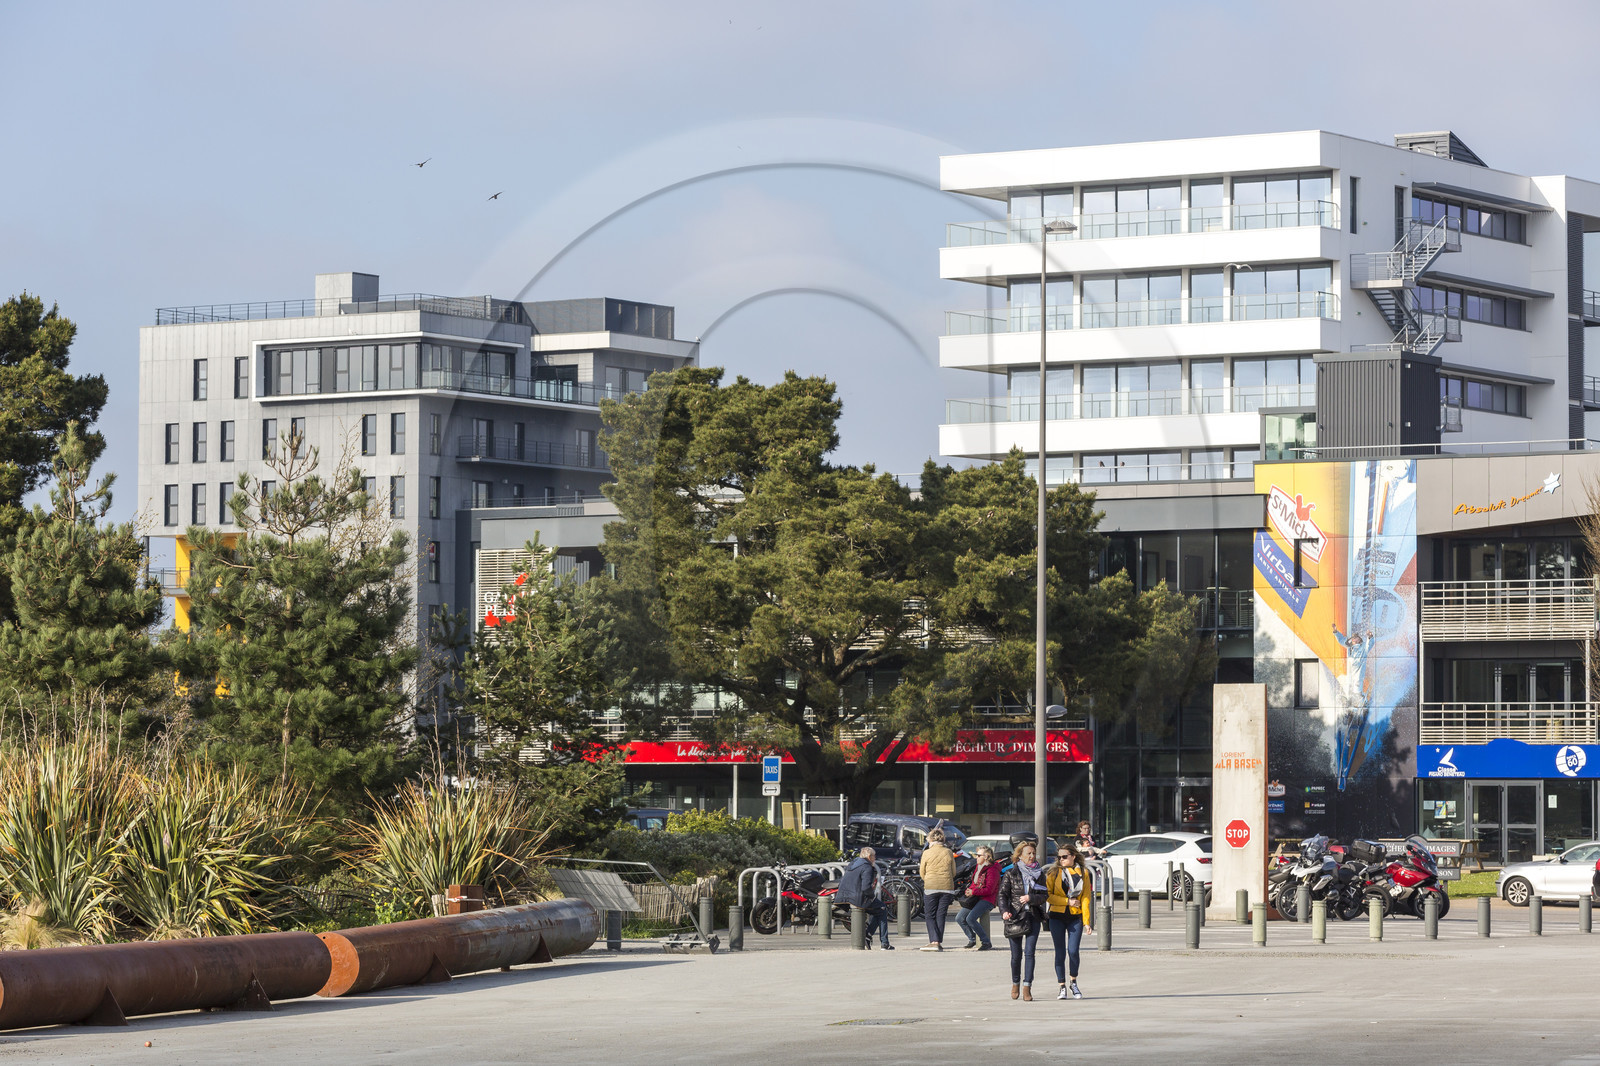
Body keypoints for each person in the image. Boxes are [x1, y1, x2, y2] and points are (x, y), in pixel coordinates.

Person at [1044, 840, 1095, 1000]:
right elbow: (1048, 896)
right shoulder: (1053, 873)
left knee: (1073, 951)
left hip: (1075, 917)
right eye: (1059, 857)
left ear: (1073, 856)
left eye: (1064, 857)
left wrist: (1087, 921)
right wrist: (1067, 901)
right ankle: (1061, 986)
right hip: (1056, 916)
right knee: (1060, 953)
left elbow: (1086, 897)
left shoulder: (1083, 873)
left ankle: (1073, 982)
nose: (1061, 860)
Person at [998, 840, 1046, 1001]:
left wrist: (1030, 898)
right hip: (1015, 917)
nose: (1032, 856)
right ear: (1020, 856)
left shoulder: (1039, 873)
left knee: (1030, 953)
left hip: (1033, 916)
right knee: (1016, 955)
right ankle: (1015, 983)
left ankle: (1027, 987)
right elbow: (1002, 895)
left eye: (1034, 853)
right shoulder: (1011, 874)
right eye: (1029, 853)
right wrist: (1005, 911)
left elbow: (1045, 895)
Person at [836, 847, 892, 949]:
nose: (875, 858)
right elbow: (866, 887)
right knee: (883, 909)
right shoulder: (867, 867)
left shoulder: (853, 863)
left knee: (878, 910)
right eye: (874, 856)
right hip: (857, 898)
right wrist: (872, 897)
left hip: (843, 898)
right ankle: (884, 943)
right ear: (869, 857)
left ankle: (868, 935)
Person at [918, 828, 957, 951]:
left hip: (931, 886)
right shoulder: (948, 852)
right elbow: (954, 872)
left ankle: (934, 941)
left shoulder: (927, 853)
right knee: (941, 915)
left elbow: (922, 872)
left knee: (929, 915)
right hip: (947, 886)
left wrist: (928, 879)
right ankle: (938, 941)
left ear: (930, 839)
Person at [956, 845, 1000, 950]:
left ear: (986, 857)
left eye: (979, 855)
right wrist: (969, 890)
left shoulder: (992, 870)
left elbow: (990, 890)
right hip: (976, 898)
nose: (977, 857)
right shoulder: (979, 867)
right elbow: (974, 883)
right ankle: (972, 939)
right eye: (976, 855)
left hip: (988, 899)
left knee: (970, 918)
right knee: (959, 918)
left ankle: (986, 942)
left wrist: (973, 891)